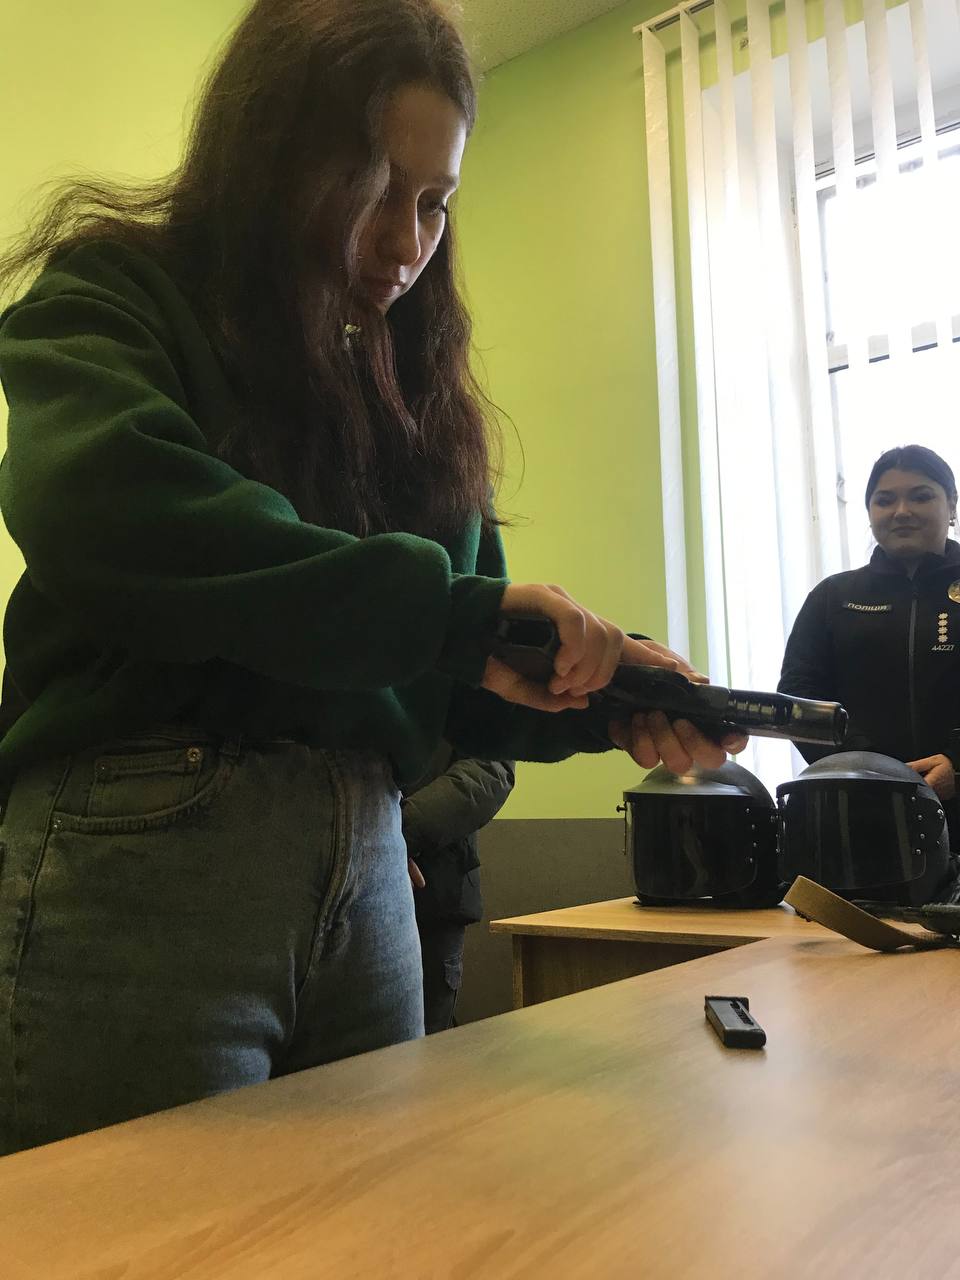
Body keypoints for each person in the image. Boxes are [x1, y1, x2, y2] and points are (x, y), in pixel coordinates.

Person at [0, 0, 743, 1155]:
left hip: (375, 868)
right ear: (268, 152)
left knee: (367, 1228)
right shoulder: (114, 294)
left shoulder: (409, 390)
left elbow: (448, 666)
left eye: (436, 202)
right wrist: (450, 615)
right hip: (144, 854)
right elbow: (117, 511)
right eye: (376, 187)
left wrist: (606, 693)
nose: (407, 244)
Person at [779, 444, 960, 836]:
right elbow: (799, 697)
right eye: (885, 500)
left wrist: (956, 765)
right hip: (859, 815)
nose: (901, 511)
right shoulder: (832, 597)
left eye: (921, 496)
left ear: (952, 505)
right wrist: (865, 768)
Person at [401, 745, 514, 1033]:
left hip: (432, 895)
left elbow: (490, 770)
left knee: (423, 1045)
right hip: (330, 888)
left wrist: (394, 833)